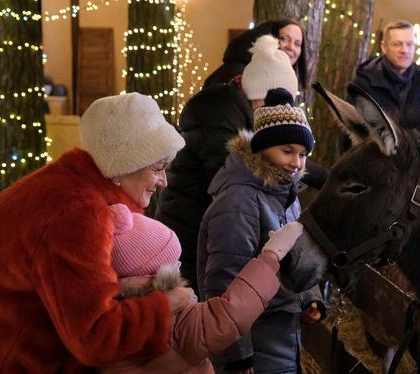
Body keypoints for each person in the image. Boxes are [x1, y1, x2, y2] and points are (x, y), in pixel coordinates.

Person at [0, 93, 195, 372]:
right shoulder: (77, 212)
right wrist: (167, 303)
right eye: (158, 168)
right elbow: (96, 337)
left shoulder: (66, 184)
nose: (164, 182)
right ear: (125, 164)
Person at [155, 34, 327, 292]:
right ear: (260, 94)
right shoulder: (217, 117)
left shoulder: (247, 115)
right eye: (276, 100)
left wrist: (326, 178)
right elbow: (244, 180)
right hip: (191, 231)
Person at [198, 88, 324, 374]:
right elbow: (223, 282)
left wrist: (309, 298)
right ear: (261, 147)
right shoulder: (239, 201)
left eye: (303, 154)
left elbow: (296, 257)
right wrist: (237, 357)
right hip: (255, 339)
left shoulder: (286, 194)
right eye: (287, 151)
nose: (296, 163)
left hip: (284, 333)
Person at [101, 203, 303, 373]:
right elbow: (229, 315)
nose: (179, 266)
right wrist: (270, 256)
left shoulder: (106, 316)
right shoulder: (171, 318)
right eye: (172, 262)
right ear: (156, 274)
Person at [346, 19, 420, 150]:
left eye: (410, 44)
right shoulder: (364, 83)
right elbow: (351, 132)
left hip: (418, 165)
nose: (404, 50)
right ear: (384, 47)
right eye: (397, 44)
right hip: (377, 163)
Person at [204, 18, 308, 91]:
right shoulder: (238, 74)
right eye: (284, 38)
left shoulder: (281, 82)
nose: (291, 47)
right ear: (268, 38)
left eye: (297, 44)